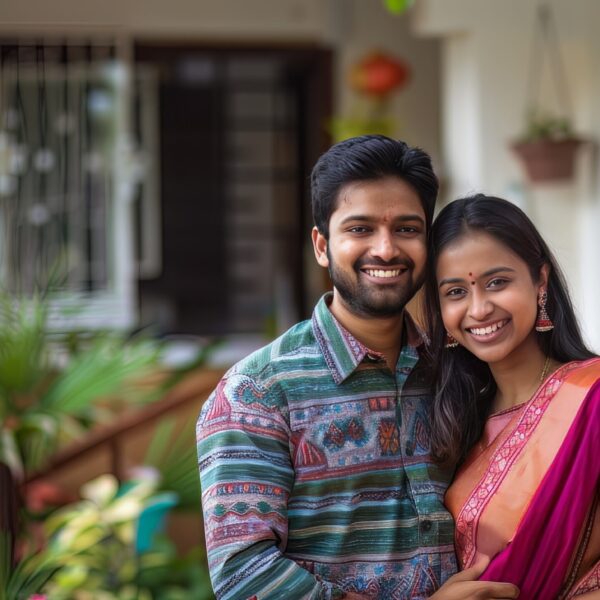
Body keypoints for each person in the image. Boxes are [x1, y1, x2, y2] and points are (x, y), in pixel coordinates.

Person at [197, 136, 518, 599]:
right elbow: (244, 576)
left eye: (407, 229)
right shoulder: (259, 391)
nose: (386, 250)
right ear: (322, 245)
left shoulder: (457, 370)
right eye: (361, 229)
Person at [423, 193, 600, 600]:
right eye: (455, 292)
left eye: (497, 282)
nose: (479, 308)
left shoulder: (590, 399)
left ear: (540, 280)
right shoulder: (455, 418)